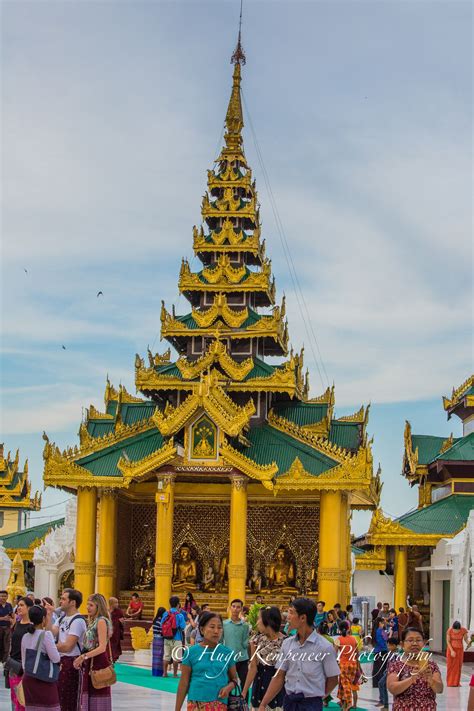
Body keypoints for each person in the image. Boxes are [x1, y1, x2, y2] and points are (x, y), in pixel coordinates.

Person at [257, 597, 340, 711]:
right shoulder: (287, 644)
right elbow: (279, 676)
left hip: (311, 705)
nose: (287, 617)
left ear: (302, 618)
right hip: (290, 703)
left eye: (291, 612)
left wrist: (317, 697)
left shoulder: (324, 647)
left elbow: (333, 679)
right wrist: (263, 704)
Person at [175, 610, 239, 711]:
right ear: (202, 629)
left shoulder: (227, 653)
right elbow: (184, 683)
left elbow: (235, 680)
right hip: (196, 704)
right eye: (212, 627)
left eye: (219, 627)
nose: (216, 631)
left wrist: (228, 688)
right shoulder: (191, 652)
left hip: (219, 704)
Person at [45, 587, 87, 711]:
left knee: (69, 700)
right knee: (58, 698)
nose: (60, 601)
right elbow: (50, 632)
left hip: (71, 662)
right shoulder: (62, 618)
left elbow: (68, 646)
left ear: (72, 602)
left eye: (63, 599)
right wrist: (49, 615)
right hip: (60, 661)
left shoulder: (78, 621)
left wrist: (50, 647)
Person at [73, 593, 113, 711]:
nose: (88, 607)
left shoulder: (101, 621)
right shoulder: (93, 621)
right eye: (87, 604)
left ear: (98, 606)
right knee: (89, 695)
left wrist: (83, 657)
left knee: (97, 695)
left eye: (91, 605)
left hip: (98, 662)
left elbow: (102, 647)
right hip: (91, 660)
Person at [387, 627, 443, 710]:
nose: (414, 643)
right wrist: (411, 679)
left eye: (418, 640)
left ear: (423, 643)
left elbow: (440, 689)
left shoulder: (431, 666)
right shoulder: (396, 665)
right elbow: (392, 688)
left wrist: (431, 680)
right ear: (402, 644)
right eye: (410, 640)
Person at [242, 606, 285, 710]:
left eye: (258, 618)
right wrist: (244, 692)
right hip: (259, 687)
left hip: (278, 689)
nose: (257, 622)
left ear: (267, 621)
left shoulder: (286, 642)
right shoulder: (256, 640)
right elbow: (253, 668)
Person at [21, 604, 61, 711]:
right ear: (43, 619)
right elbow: (56, 658)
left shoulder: (25, 636)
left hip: (29, 678)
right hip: (44, 678)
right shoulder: (46, 635)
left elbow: (24, 661)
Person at [8, 596, 34, 711]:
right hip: (14, 666)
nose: (19, 608)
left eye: (22, 605)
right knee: (14, 698)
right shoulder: (17, 623)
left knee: (23, 699)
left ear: (29, 608)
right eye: (18, 605)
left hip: (26, 668)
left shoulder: (32, 627)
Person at [223, 598, 250, 688]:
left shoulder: (245, 625)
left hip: (242, 658)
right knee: (228, 682)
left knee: (244, 681)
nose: (235, 609)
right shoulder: (224, 624)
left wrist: (250, 640)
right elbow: (220, 641)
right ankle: (228, 701)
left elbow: (245, 643)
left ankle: (244, 700)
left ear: (241, 609)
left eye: (238, 607)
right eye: (233, 606)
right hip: (229, 658)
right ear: (230, 608)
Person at [334, 620, 358, 711]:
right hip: (353, 664)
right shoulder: (353, 639)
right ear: (348, 628)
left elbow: (334, 653)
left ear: (339, 629)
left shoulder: (338, 640)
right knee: (345, 684)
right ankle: (343, 705)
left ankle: (349, 702)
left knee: (345, 684)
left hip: (343, 665)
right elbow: (357, 653)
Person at [161, 596, 186, 677]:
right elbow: (182, 627)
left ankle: (164, 673)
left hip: (167, 637)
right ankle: (175, 674)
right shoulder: (180, 615)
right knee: (175, 657)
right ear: (178, 604)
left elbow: (162, 624)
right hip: (177, 638)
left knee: (166, 655)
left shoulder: (166, 613)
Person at [377, 637, 399, 711]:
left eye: (390, 645)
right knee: (381, 684)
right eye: (388, 645)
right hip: (388, 672)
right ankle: (383, 702)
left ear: (395, 646)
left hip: (392, 673)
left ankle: (385, 704)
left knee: (382, 684)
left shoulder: (396, 654)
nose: (388, 647)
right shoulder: (391, 653)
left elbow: (395, 665)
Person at [446, 620, 468, 686]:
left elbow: (466, 639)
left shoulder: (463, 630)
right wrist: (452, 651)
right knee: (450, 666)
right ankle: (450, 683)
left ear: (460, 628)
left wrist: (469, 643)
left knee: (458, 667)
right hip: (451, 650)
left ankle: (456, 683)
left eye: (457, 630)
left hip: (459, 650)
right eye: (455, 630)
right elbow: (448, 641)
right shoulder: (449, 630)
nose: (456, 631)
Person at [372, 617, 388, 689]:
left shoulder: (376, 631)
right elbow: (382, 640)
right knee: (382, 668)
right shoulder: (380, 631)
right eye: (383, 623)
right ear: (380, 623)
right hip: (382, 651)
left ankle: (376, 683)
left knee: (377, 668)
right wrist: (385, 647)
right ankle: (381, 682)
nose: (384, 624)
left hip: (377, 651)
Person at [108, 597, 124, 663]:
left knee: (115, 646)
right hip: (108, 631)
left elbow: (122, 621)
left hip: (116, 632)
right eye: (116, 603)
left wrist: (122, 622)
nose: (117, 604)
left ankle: (113, 659)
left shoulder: (119, 611)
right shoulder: (107, 611)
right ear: (111, 603)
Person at [0, 589, 14, 664]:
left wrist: (12, 620)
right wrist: (3, 618)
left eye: (5, 596)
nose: (3, 597)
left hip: (7, 627)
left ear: (7, 597)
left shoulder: (9, 605)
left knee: (7, 644)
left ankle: (4, 661)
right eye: (1, 596)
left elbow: (12, 615)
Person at [152, 606, 166, 677]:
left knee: (155, 657)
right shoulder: (160, 621)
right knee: (160, 656)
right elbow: (161, 631)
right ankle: (159, 672)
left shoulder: (155, 619)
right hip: (160, 640)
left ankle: (154, 672)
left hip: (155, 639)